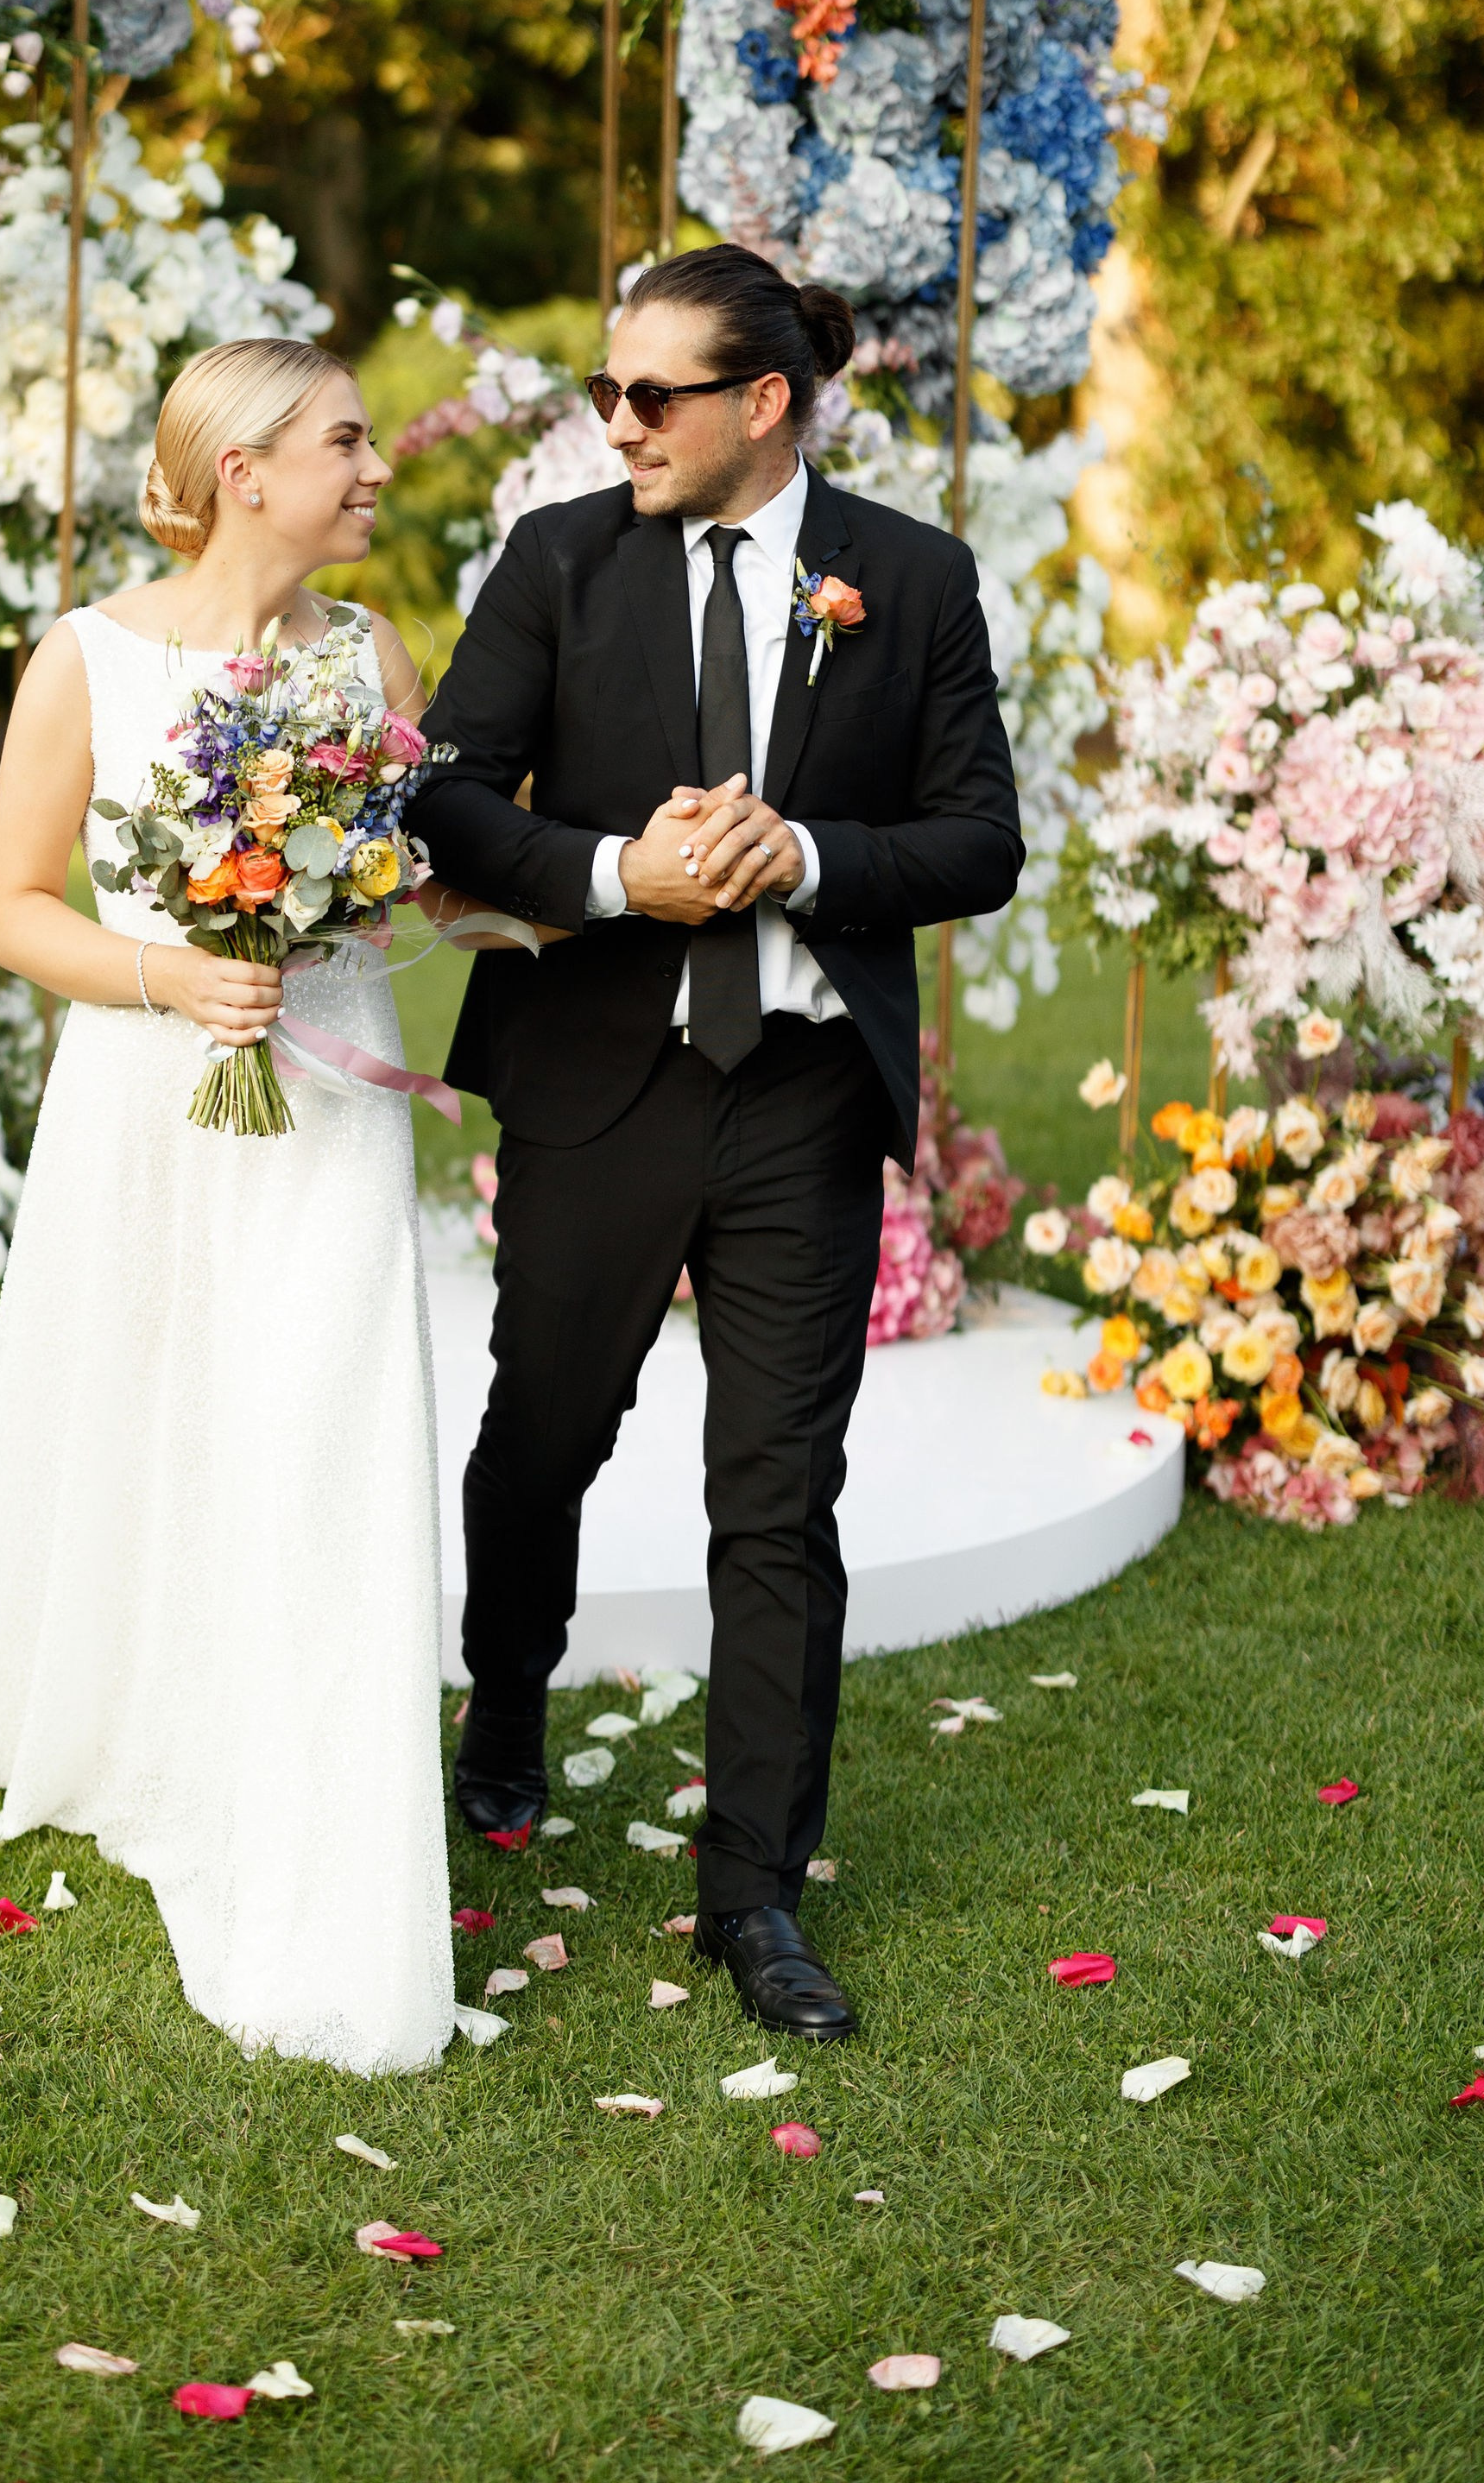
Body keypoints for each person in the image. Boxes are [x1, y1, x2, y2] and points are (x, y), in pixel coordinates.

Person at [409, 244, 1025, 2042]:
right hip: (599, 1079)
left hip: (803, 1102)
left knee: (779, 1501)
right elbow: (446, 783)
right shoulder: (558, 556)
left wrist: (811, 855)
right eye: (609, 392)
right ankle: (504, 1701)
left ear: (766, 404)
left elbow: (979, 841)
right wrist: (621, 874)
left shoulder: (910, 578)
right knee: (542, 1442)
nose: (621, 425)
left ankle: (753, 1893)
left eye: (654, 395)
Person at [0, 338, 454, 2076]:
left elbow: (414, 872)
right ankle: (159, 1723)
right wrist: (173, 976)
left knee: (322, 1426)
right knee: (157, 1417)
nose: (376, 471)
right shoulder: (87, 657)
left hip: (328, 1095)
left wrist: (479, 900)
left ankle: (313, 1782)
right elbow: (14, 908)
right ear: (247, 470)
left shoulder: (370, 653)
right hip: (152, 1096)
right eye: (348, 444)